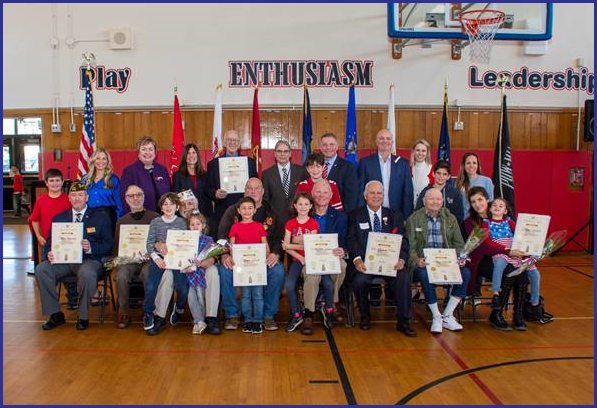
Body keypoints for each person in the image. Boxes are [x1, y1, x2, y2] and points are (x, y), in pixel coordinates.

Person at [34, 181, 114, 331]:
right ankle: (55, 314)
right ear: (69, 198)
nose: (77, 198)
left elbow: (108, 244)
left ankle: (83, 315)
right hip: (64, 261)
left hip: (89, 260)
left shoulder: (100, 217)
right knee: (42, 269)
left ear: (87, 197)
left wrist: (91, 247)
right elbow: (49, 242)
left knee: (87, 273)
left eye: (81, 195)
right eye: (74, 195)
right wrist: (49, 254)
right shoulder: (59, 218)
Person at [348, 180, 415, 337]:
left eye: (379, 193)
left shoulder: (395, 215)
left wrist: (402, 260)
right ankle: (365, 316)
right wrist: (357, 259)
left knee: (403, 277)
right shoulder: (355, 215)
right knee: (359, 281)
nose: (376, 196)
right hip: (365, 263)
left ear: (383, 196)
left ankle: (403, 321)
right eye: (372, 193)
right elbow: (351, 240)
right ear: (365, 196)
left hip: (390, 263)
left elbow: (403, 240)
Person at [217, 178, 285, 331]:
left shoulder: (271, 212)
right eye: (249, 188)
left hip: (263, 260)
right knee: (224, 270)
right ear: (244, 191)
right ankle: (232, 315)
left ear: (263, 191)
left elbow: (278, 237)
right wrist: (225, 255)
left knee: (278, 271)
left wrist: (275, 254)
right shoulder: (232, 211)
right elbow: (222, 236)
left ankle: (268, 316)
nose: (253, 191)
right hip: (237, 261)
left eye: (257, 188)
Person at [405, 188, 471, 334]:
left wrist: (461, 258)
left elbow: (459, 244)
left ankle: (447, 314)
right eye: (431, 199)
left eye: (438, 199)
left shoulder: (450, 218)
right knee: (423, 274)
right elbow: (410, 246)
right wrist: (416, 260)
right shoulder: (414, 219)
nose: (435, 202)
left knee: (465, 273)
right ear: (424, 201)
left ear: (442, 201)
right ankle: (436, 315)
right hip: (425, 262)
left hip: (447, 263)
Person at [158, 189, 222, 335]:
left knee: (212, 272)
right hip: (182, 267)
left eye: (190, 203)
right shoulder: (174, 223)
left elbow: (215, 250)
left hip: (203, 267)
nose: (187, 206)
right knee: (176, 280)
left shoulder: (207, 227)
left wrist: (210, 260)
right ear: (178, 207)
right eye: (184, 204)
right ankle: (163, 316)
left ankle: (210, 317)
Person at [482, 197, 539, 331]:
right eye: (494, 205)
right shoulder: (486, 223)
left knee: (532, 272)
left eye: (501, 206)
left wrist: (530, 248)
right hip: (502, 251)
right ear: (490, 209)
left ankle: (533, 303)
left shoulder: (510, 222)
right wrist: (507, 251)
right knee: (501, 265)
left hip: (515, 250)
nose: (497, 207)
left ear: (506, 210)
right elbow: (488, 242)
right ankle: (496, 293)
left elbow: (521, 235)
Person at [301, 179, 348, 334]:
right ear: (312, 194)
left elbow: (344, 241)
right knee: (312, 276)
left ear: (331, 195)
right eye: (318, 192)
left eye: (325, 192)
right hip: (308, 257)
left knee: (342, 265)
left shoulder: (340, 217)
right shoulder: (304, 213)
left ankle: (333, 301)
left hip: (331, 256)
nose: (321, 195)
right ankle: (308, 313)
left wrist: (342, 250)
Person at [112, 185, 159, 329]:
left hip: (150, 259)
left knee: (148, 272)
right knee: (121, 274)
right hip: (129, 260)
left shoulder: (155, 218)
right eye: (131, 196)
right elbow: (117, 248)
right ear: (126, 199)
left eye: (139, 194)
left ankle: (150, 311)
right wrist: (120, 258)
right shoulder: (122, 221)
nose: (135, 198)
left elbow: (161, 242)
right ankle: (124, 311)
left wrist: (152, 251)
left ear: (144, 196)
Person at [28, 168, 76, 306]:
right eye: (51, 181)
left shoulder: (68, 200)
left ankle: (73, 298)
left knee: (69, 271)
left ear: (62, 182)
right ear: (46, 183)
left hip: (66, 243)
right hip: (48, 244)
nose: (55, 183)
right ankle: (52, 302)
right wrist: (38, 236)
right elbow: (35, 219)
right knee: (47, 273)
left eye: (57, 181)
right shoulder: (41, 200)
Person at [142, 192, 188, 336]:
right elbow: (149, 244)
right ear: (161, 207)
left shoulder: (181, 222)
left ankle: (179, 308)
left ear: (177, 207)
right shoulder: (156, 222)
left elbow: (185, 242)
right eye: (165, 204)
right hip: (159, 258)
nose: (168, 207)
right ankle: (148, 313)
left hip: (177, 259)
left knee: (182, 286)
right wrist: (156, 258)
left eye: (172, 204)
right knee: (151, 285)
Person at [228, 197, 270, 334]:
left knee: (258, 295)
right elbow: (232, 246)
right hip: (242, 267)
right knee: (245, 295)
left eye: (250, 208)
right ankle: (247, 320)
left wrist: (266, 258)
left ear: (255, 210)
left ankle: (257, 321)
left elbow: (265, 246)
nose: (247, 211)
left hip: (257, 266)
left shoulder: (259, 226)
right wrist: (235, 260)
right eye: (244, 208)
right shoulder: (235, 227)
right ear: (239, 210)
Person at [281, 192, 320, 332]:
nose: (303, 207)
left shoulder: (313, 223)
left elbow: (311, 245)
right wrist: (300, 256)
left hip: (311, 260)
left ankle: (308, 313)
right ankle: (297, 314)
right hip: (297, 261)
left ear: (311, 206)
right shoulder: (290, 223)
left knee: (309, 281)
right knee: (290, 285)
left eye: (306, 204)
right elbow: (285, 248)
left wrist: (290, 245)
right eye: (300, 204)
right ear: (295, 206)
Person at [206, 130, 258, 231]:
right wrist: (215, 193)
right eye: (229, 140)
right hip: (222, 211)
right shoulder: (213, 164)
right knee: (223, 241)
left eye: (235, 140)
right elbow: (208, 188)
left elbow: (256, 185)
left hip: (245, 211)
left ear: (239, 143)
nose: (232, 143)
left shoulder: (250, 163)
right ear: (224, 143)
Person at [358, 129, 414, 220]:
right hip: (372, 213)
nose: (385, 141)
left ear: (392, 142)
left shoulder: (403, 164)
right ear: (376, 142)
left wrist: (407, 217)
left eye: (388, 139)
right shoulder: (365, 162)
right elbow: (361, 190)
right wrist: (361, 215)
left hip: (396, 213)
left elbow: (407, 192)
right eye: (381, 138)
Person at [183, 212, 217, 335]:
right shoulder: (185, 240)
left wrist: (203, 263)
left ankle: (201, 320)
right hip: (189, 273)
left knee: (201, 295)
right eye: (192, 224)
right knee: (191, 297)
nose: (195, 226)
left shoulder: (209, 240)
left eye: (198, 224)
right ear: (188, 227)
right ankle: (199, 321)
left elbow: (212, 257)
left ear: (203, 225)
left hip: (202, 272)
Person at [262, 139, 308, 226]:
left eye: (285, 151)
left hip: (298, 219)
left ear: (290, 154)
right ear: (275, 154)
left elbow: (307, 196)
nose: (282, 154)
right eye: (279, 151)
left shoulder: (302, 172)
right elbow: (266, 200)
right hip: (276, 222)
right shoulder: (267, 174)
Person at [121, 136, 171, 213]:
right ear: (138, 153)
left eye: (150, 149)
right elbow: (125, 198)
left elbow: (170, 194)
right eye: (144, 149)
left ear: (155, 153)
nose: (147, 152)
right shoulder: (129, 171)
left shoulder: (162, 169)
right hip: (141, 217)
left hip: (164, 216)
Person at [83, 147, 123, 230]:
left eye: (104, 159)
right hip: (90, 218)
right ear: (93, 160)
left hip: (108, 219)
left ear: (108, 161)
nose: (101, 161)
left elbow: (119, 205)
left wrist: (118, 223)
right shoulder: (85, 179)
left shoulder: (114, 179)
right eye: (98, 158)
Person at [319, 132, 359, 213]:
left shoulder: (348, 167)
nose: (328, 147)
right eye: (325, 145)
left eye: (331, 144)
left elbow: (351, 196)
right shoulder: (313, 165)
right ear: (321, 148)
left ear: (337, 147)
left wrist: (345, 217)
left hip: (338, 215)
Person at [416, 160, 464, 226]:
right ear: (433, 174)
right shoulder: (425, 191)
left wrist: (450, 228)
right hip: (428, 230)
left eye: (444, 174)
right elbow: (418, 212)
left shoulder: (455, 193)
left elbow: (459, 216)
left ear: (448, 177)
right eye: (438, 173)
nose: (441, 176)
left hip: (449, 232)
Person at [172, 143, 213, 220]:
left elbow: (210, 193)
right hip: (186, 216)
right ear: (185, 156)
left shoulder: (206, 175)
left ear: (197, 155)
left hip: (204, 215)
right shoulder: (177, 175)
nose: (191, 156)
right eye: (188, 153)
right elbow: (176, 196)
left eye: (194, 153)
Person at [456, 152, 494, 219]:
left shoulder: (487, 181)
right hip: (465, 221)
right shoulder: (458, 182)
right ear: (463, 166)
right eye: (468, 163)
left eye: (474, 163)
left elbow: (490, 202)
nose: (471, 165)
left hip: (482, 219)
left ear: (478, 165)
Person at [410, 139, 433, 207]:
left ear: (427, 153)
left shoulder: (432, 170)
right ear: (413, 151)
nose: (420, 153)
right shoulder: (407, 169)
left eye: (423, 151)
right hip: (410, 209)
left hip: (426, 209)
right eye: (418, 150)